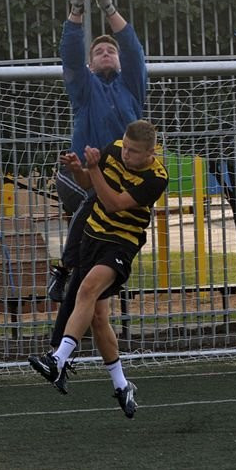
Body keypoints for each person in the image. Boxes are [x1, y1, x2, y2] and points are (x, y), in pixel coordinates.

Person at [29, 120, 168, 419]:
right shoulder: (114, 149)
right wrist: (81, 168)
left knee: (87, 288)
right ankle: (121, 385)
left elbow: (115, 204)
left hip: (121, 243)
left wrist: (93, 169)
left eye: (134, 152)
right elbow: (89, 187)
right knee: (98, 316)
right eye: (126, 147)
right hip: (92, 236)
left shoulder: (158, 178)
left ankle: (58, 360)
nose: (127, 155)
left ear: (151, 152)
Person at [45, 0, 147, 351]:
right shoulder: (84, 89)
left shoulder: (132, 87)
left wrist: (107, 5)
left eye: (111, 51)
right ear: (91, 65)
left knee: (94, 300)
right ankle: (63, 269)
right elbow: (70, 56)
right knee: (93, 197)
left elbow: (133, 48)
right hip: (79, 177)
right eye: (99, 51)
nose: (106, 52)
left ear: (119, 63)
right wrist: (75, 9)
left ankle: (64, 352)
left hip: (116, 190)